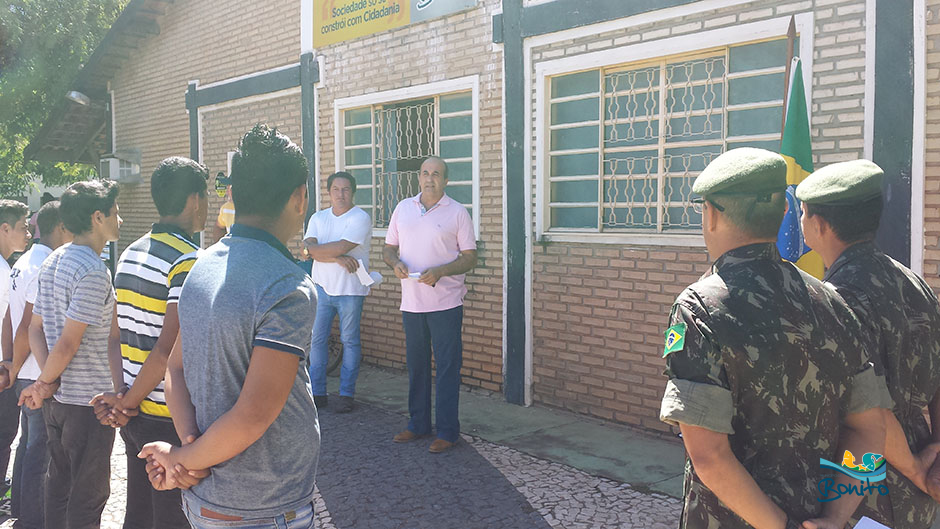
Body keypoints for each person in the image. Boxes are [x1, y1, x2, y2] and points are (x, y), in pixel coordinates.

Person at [658, 148, 892, 528]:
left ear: (711, 214)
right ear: (785, 211)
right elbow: (870, 430)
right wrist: (835, 517)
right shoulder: (834, 302)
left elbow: (710, 457)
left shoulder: (698, 309)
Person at [139, 124, 319, 529]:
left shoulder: (201, 266)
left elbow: (174, 368)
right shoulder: (288, 285)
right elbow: (254, 414)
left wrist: (188, 449)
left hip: (206, 497)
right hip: (264, 507)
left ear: (233, 195)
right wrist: (184, 457)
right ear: (300, 197)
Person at [797, 159, 940, 528]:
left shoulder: (836, 298)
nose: (800, 220)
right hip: (920, 494)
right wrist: (934, 455)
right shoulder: (914, 283)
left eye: (803, 212)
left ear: (819, 225)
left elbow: (871, 409)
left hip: (863, 487)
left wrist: (915, 467)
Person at [89, 157, 210, 529]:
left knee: (139, 515)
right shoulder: (188, 260)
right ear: (194, 199)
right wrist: (126, 402)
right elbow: (166, 351)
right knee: (173, 519)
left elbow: (115, 337)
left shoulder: (129, 253)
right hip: (169, 417)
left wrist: (123, 397)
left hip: (135, 412)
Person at [18, 180, 124, 529]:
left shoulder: (54, 260)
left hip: (58, 401)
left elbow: (34, 329)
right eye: (115, 212)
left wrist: (48, 381)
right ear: (97, 217)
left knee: (59, 487)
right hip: (87, 404)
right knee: (87, 498)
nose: (120, 219)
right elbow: (68, 343)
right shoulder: (93, 271)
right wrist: (45, 382)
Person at [382, 156, 477, 454]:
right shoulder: (403, 208)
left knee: (447, 368)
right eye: (425, 173)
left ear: (446, 180)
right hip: (412, 304)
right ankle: (418, 424)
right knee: (417, 366)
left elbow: (470, 257)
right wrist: (395, 263)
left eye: (436, 174)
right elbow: (388, 249)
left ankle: (448, 431)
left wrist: (441, 271)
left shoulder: (457, 212)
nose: (429, 178)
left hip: (446, 303)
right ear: (419, 177)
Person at [2, 200, 71, 529]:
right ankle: (31, 520)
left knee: (27, 446)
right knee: (38, 452)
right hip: (33, 372)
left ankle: (20, 508)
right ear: (61, 227)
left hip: (23, 370)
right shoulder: (44, 265)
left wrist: (9, 364)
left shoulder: (23, 261)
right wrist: (16, 368)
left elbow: (9, 318)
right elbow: (28, 326)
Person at [304, 171, 372, 413]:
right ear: (329, 192)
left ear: (353, 192)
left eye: (345, 189)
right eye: (336, 189)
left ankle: (346, 394)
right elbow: (305, 249)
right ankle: (318, 393)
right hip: (321, 287)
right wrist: (338, 258)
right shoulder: (318, 218)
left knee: (350, 341)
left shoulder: (360, 218)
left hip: (350, 290)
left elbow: (340, 246)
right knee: (317, 340)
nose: (340, 194)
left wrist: (320, 252)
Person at [0, 199, 30, 496]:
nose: (28, 234)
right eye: (23, 227)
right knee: (4, 433)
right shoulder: (3, 272)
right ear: (5, 229)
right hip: (2, 367)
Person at [213, 174, 234, 242]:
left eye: (231, 188)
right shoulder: (226, 208)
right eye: (227, 187)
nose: (228, 191)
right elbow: (219, 227)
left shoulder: (253, 209)